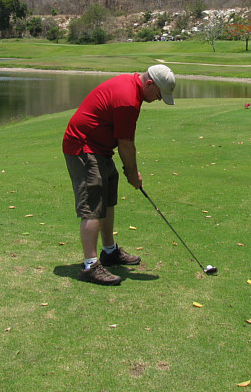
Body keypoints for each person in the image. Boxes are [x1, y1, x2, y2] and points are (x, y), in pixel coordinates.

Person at [63, 65, 176, 285]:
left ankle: (109, 252)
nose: (158, 100)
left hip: (100, 148)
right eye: (159, 95)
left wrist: (130, 173)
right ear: (150, 84)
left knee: (107, 199)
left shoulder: (133, 88)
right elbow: (126, 145)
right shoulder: (128, 100)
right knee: (92, 205)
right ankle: (90, 266)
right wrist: (133, 174)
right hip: (83, 146)